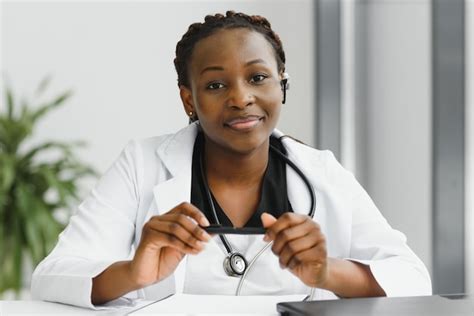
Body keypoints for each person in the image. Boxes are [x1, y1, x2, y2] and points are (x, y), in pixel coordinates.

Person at [31, 11, 431, 309]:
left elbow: (413, 279)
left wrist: (327, 272)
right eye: (216, 84)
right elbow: (52, 276)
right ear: (189, 98)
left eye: (258, 78)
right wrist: (134, 272)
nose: (240, 98)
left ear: (282, 85)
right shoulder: (142, 164)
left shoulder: (320, 171)